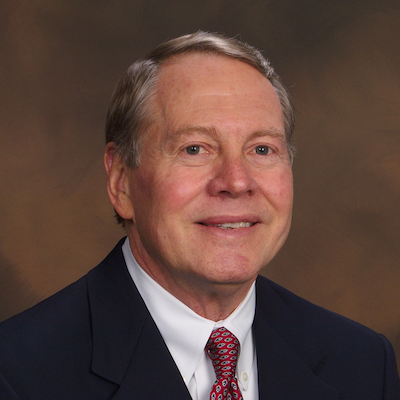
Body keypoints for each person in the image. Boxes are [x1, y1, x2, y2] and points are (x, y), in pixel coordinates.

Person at [0, 31, 399, 400]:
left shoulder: (363, 364)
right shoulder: (18, 373)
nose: (237, 181)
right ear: (121, 182)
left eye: (262, 149)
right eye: (195, 148)